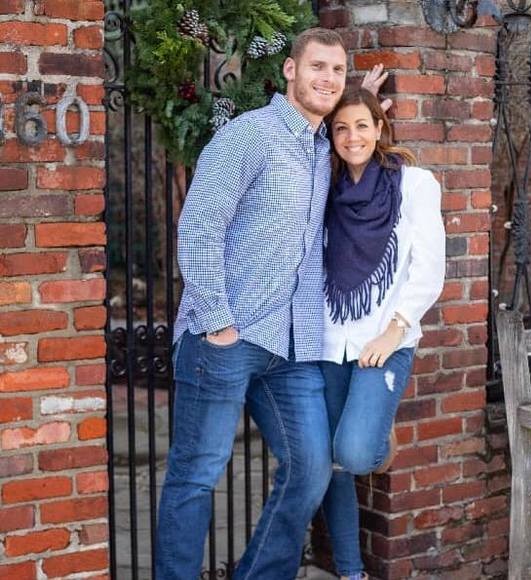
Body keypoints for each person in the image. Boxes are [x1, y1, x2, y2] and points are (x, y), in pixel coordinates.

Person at [155, 28, 349, 580]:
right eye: (317, 66)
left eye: (337, 70)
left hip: (290, 346)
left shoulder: (324, 150)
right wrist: (219, 323)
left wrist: (369, 109)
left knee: (311, 469)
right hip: (225, 337)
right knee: (196, 474)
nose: (327, 79)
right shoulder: (249, 136)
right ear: (290, 69)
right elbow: (198, 228)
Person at [318, 88, 446, 580]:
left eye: (362, 125)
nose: (352, 137)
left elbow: (429, 271)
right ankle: (351, 571)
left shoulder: (414, 185)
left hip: (384, 342)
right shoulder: (325, 187)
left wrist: (394, 332)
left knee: (354, 452)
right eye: (341, 128)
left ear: (379, 128)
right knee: (332, 463)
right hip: (329, 340)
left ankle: (375, 429)